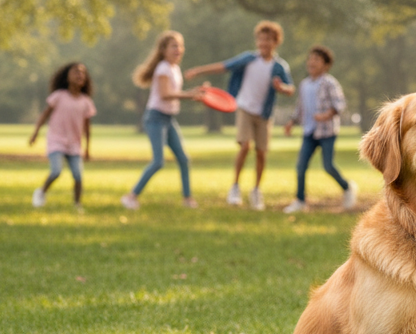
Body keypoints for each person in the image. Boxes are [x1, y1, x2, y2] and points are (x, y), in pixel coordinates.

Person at [186, 20, 295, 210]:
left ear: (275, 42)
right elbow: (224, 66)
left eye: (267, 40)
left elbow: (290, 89)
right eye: (260, 40)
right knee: (245, 146)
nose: (263, 44)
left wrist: (281, 88)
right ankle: (235, 187)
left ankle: (256, 191)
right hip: (244, 107)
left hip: (264, 113)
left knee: (261, 152)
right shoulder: (248, 59)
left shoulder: (279, 66)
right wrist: (199, 71)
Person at [121, 31, 206, 210]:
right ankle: (130, 197)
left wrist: (195, 91)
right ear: (163, 50)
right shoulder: (163, 68)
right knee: (158, 161)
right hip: (155, 118)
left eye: (180, 45)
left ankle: (187, 199)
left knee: (183, 158)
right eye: (174, 46)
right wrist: (190, 95)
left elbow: (174, 92)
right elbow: (165, 94)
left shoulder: (175, 69)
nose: (179, 49)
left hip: (168, 119)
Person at [282, 46, 358, 214]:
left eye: (317, 59)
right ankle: (300, 201)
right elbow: (300, 108)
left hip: (326, 132)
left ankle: (347, 188)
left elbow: (339, 104)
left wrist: (326, 115)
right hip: (309, 132)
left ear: (326, 65)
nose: (312, 62)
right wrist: (291, 122)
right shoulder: (304, 84)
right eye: (310, 59)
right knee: (301, 167)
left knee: (328, 165)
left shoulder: (329, 82)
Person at [29, 62, 96, 212]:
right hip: (56, 140)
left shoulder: (86, 102)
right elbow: (45, 115)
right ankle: (41, 192)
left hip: (74, 144)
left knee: (78, 176)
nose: (79, 75)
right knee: (56, 171)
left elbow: (87, 127)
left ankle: (77, 204)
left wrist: (87, 148)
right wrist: (35, 133)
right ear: (66, 77)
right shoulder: (58, 96)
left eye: (82, 73)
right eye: (75, 72)